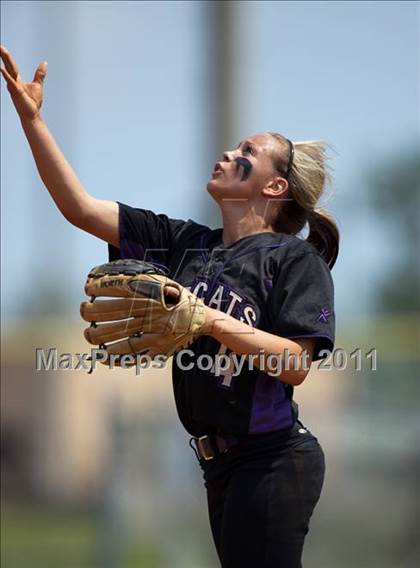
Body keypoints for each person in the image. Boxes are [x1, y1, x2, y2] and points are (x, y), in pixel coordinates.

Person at [1, 46, 338, 568]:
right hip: (218, 466)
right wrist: (32, 120)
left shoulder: (292, 259)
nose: (229, 154)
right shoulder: (182, 243)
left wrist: (207, 319)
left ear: (274, 186)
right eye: (233, 147)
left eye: (246, 152)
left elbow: (295, 364)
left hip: (273, 460)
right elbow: (80, 208)